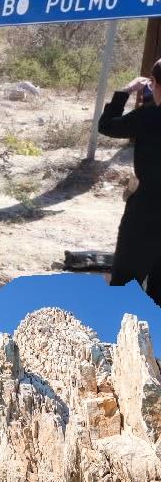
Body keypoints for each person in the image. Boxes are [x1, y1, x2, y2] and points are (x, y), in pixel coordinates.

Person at [98, 59, 161, 307]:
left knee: (126, 281)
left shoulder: (148, 117)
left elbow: (107, 126)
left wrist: (125, 92)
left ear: (153, 84)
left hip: (145, 211)